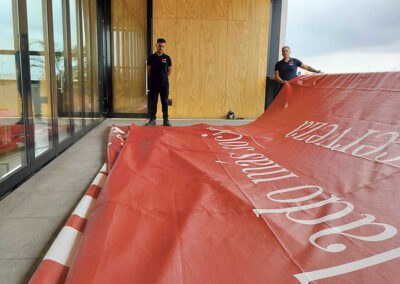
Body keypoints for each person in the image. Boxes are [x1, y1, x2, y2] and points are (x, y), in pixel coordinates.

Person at [145, 38, 172, 126]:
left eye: (163, 46)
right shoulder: (151, 58)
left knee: (164, 101)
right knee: (153, 102)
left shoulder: (167, 58)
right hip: (154, 84)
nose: (161, 48)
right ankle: (152, 120)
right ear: (156, 45)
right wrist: (155, 78)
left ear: (164, 47)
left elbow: (169, 71)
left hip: (164, 84)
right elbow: (148, 70)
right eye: (159, 46)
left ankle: (166, 120)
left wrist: (163, 77)